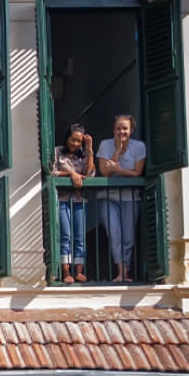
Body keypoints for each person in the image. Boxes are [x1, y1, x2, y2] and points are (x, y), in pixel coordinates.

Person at [95, 114, 147, 282]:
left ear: (131, 130)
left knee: (128, 237)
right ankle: (121, 271)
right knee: (114, 233)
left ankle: (125, 271)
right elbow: (104, 172)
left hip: (130, 197)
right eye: (118, 128)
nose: (121, 131)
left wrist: (119, 170)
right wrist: (116, 152)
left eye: (125, 128)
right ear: (113, 130)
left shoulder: (139, 147)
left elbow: (137, 173)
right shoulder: (105, 145)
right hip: (108, 197)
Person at [53, 123, 94, 284]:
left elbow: (89, 174)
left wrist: (89, 149)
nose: (76, 144)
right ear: (67, 138)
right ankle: (66, 271)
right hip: (62, 199)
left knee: (79, 236)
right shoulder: (58, 151)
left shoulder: (83, 155)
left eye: (79, 141)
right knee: (65, 235)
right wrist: (70, 173)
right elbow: (52, 172)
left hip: (79, 199)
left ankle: (79, 272)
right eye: (73, 140)